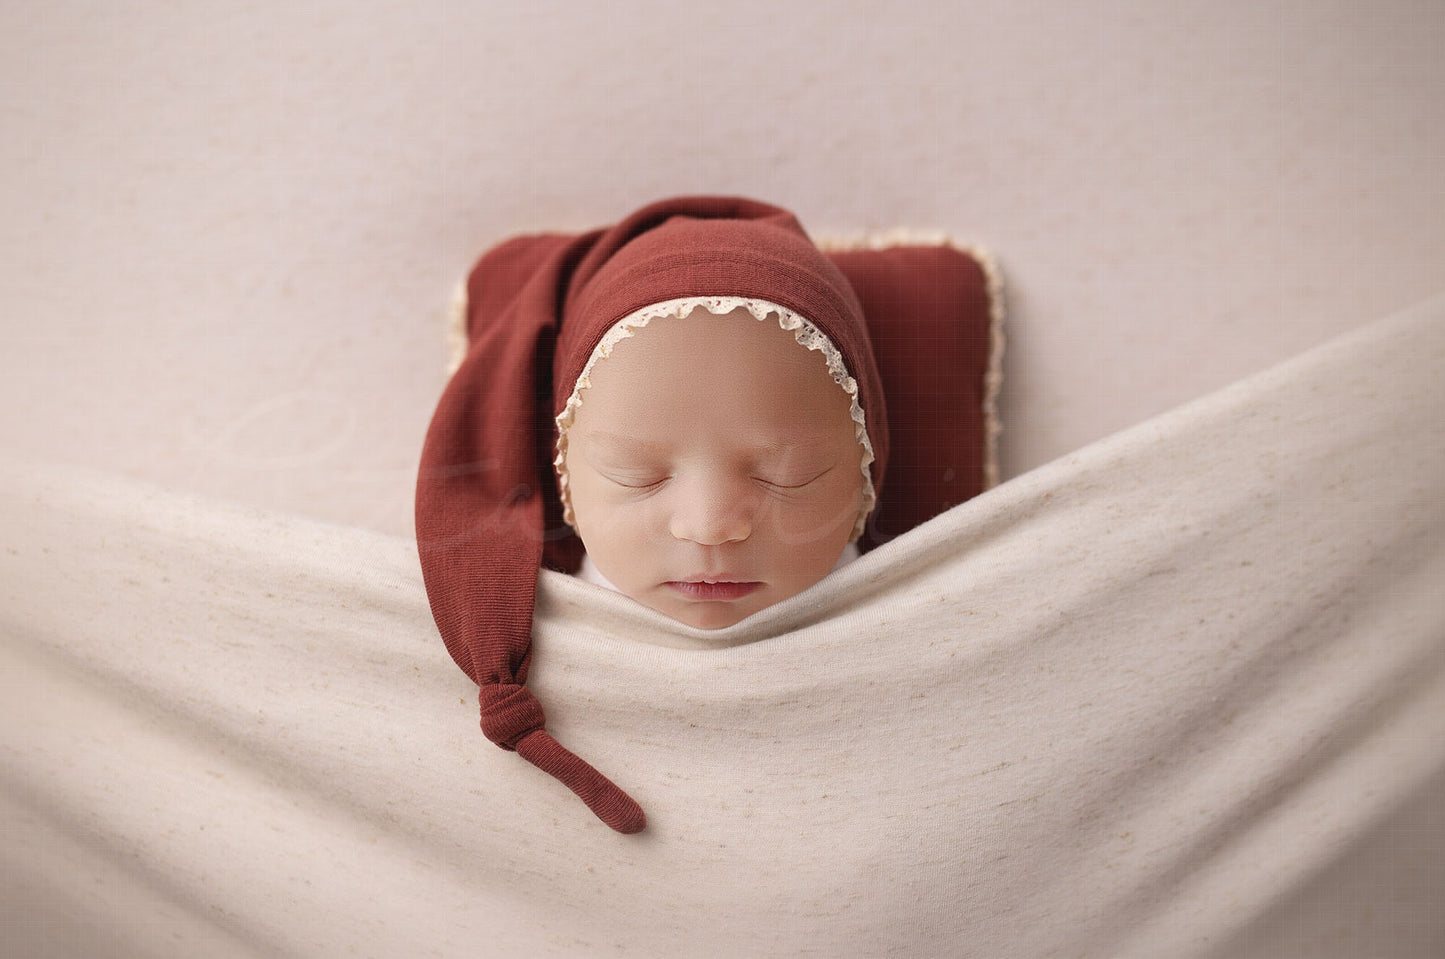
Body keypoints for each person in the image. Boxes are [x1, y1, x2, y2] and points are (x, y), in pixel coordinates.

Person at [417, 197, 892, 831]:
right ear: (564, 482)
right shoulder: (521, 644)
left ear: (866, 473)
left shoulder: (921, 623)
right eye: (635, 477)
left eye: (788, 475)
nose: (709, 525)